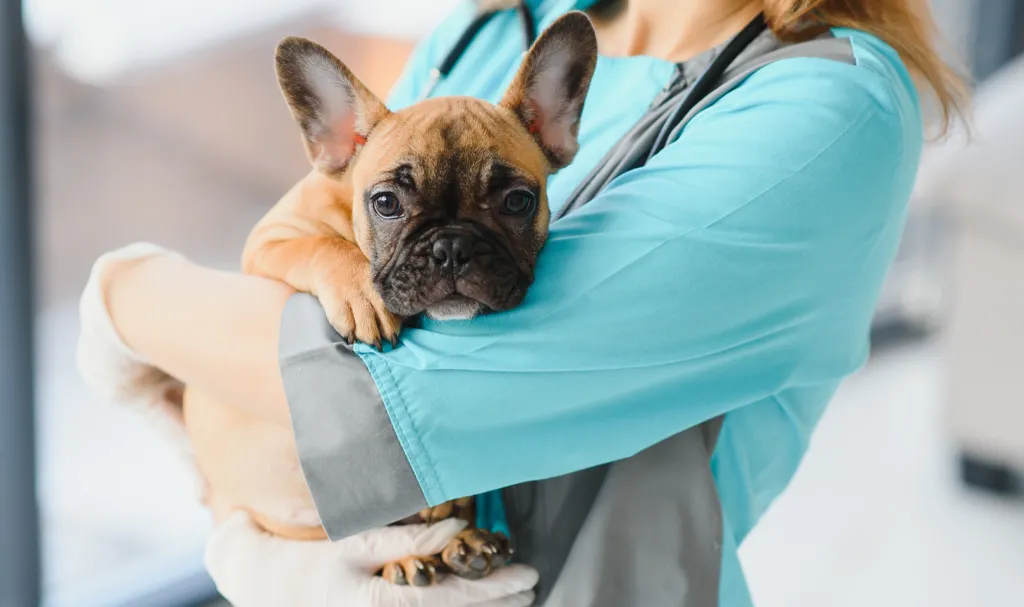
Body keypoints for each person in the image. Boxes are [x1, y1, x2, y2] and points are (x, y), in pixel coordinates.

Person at [77, 0, 966, 605]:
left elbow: (380, 400)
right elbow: (293, 259)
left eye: (510, 200)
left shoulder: (823, 104)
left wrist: (131, 296)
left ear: (555, 125)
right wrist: (248, 532)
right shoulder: (497, 25)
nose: (454, 247)